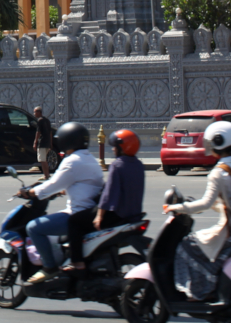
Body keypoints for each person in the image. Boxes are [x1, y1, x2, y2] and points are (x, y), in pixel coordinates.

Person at [166, 120, 231, 301]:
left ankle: (200, 291)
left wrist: (176, 207)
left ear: (218, 143)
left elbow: (205, 204)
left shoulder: (219, 172)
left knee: (186, 245)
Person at [21, 121, 104, 283]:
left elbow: (50, 186)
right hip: (89, 210)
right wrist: (64, 190)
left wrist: (29, 192)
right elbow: (82, 182)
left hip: (77, 213)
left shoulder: (71, 161)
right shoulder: (90, 159)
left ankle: (50, 267)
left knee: (33, 228)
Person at [67, 128, 146, 269]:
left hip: (116, 214)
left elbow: (109, 194)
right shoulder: (138, 165)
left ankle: (77, 261)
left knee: (74, 221)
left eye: (115, 146)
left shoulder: (117, 165)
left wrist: (99, 216)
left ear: (122, 147)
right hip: (132, 215)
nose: (113, 149)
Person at [32, 106, 55, 177]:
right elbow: (50, 132)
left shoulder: (40, 120)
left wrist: (35, 142)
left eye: (35, 112)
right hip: (47, 143)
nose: (34, 114)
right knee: (45, 159)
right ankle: (47, 174)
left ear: (39, 112)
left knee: (43, 160)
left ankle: (46, 175)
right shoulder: (47, 120)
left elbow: (38, 132)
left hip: (42, 142)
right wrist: (50, 143)